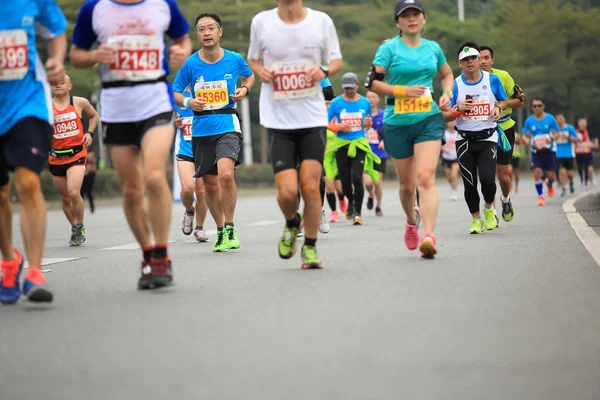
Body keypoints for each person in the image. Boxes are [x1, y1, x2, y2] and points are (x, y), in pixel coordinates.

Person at [70, 0, 192, 289]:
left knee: (153, 175)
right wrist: (94, 56)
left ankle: (161, 255)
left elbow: (183, 40)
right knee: (132, 190)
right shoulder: (94, 9)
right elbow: (75, 55)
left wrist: (181, 52)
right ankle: (147, 254)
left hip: (155, 99)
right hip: (116, 105)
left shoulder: (163, 5)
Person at [247, 0, 343, 269]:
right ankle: (291, 222)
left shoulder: (321, 21)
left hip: (312, 118)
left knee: (311, 187)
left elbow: (335, 59)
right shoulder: (261, 22)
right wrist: (260, 69)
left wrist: (324, 70)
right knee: (288, 193)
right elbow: (252, 58)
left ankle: (310, 248)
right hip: (278, 119)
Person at [366, 0, 454, 259]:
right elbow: (372, 83)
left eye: (416, 14)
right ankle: (411, 219)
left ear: (424, 19)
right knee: (406, 186)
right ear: (398, 22)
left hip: (428, 119)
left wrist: (447, 93)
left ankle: (429, 235)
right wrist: (403, 91)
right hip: (397, 122)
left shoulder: (433, 49)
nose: (412, 18)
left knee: (425, 177)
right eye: (406, 15)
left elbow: (447, 74)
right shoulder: (388, 50)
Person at [0, 0, 67, 304]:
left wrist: (56, 58)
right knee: (1, 194)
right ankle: (10, 261)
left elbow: (55, 30)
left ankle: (35, 271)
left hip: (27, 103)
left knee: (28, 182)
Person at [173, 13, 254, 252]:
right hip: (201, 128)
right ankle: (219, 231)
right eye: (201, 29)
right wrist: (188, 103)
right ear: (196, 35)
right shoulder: (190, 64)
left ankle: (230, 226)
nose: (206, 32)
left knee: (226, 176)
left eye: (211, 28)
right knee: (209, 185)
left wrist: (244, 91)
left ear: (220, 32)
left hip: (228, 123)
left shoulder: (234, 59)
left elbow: (249, 76)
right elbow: (175, 91)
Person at [443, 42, 507, 234]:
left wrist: (498, 108)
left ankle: (489, 208)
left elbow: (503, 100)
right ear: (460, 63)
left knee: (488, 179)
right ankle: (476, 219)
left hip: (488, 137)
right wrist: (458, 110)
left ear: (480, 60)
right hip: (464, 141)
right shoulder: (455, 85)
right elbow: (445, 115)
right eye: (465, 59)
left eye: (473, 58)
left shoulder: (492, 80)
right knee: (469, 182)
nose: (469, 62)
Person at [50, 75, 99, 246]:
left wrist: (89, 133)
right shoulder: (46, 106)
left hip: (76, 154)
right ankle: (74, 226)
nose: (58, 86)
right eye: (54, 83)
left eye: (62, 83)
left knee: (73, 192)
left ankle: (79, 225)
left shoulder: (79, 102)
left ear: (69, 86)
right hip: (56, 157)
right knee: (65, 198)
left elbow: (94, 116)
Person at [479, 45, 524, 222]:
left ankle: (505, 199)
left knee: (503, 176)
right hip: (482, 131)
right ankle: (491, 210)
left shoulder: (503, 76)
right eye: (479, 58)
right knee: (486, 176)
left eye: (485, 58)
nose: (482, 61)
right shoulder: (470, 79)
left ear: (492, 60)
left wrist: (504, 104)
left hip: (504, 129)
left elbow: (519, 100)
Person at [325, 72, 376, 225]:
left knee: (357, 178)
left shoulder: (365, 102)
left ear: (357, 85)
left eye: (351, 88)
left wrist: (368, 123)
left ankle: (358, 213)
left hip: (359, 144)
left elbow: (368, 122)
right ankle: (351, 203)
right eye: (346, 88)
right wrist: (338, 126)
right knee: (345, 183)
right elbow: (325, 123)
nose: (349, 91)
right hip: (341, 145)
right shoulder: (336, 103)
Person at [173, 85, 210, 243]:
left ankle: (199, 228)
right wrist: (174, 123)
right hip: (185, 146)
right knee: (188, 189)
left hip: (204, 146)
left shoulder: (206, 87)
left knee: (201, 192)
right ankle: (189, 211)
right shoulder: (176, 93)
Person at [522, 97, 559, 206]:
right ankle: (541, 197)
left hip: (549, 150)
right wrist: (526, 140)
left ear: (543, 106)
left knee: (551, 175)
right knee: (537, 172)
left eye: (539, 106)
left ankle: (550, 184)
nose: (537, 108)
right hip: (536, 151)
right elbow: (524, 134)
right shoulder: (529, 120)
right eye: (534, 106)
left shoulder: (550, 118)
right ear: (532, 108)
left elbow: (557, 132)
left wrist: (551, 139)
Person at [364, 90, 387, 216]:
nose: (371, 99)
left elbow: (388, 131)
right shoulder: (363, 115)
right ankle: (370, 193)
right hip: (365, 154)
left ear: (378, 99)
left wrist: (384, 141)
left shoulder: (383, 115)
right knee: (368, 183)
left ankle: (378, 206)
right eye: (368, 97)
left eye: (373, 97)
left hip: (379, 153)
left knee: (377, 182)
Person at [554, 113, 578, 196]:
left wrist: (568, 137)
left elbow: (576, 140)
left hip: (569, 154)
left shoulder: (570, 128)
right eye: (558, 119)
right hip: (559, 154)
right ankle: (564, 188)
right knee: (562, 172)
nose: (559, 120)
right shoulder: (555, 130)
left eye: (561, 118)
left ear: (564, 119)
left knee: (569, 174)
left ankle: (571, 182)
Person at [441, 120, 460, 201]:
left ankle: (454, 191)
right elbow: (438, 143)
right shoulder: (444, 133)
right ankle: (452, 185)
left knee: (454, 175)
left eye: (453, 122)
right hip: (446, 158)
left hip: (455, 158)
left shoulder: (458, 133)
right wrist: (443, 149)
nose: (451, 124)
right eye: (449, 122)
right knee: (449, 178)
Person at [575, 118, 595, 187]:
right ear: (578, 124)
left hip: (587, 152)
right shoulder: (575, 132)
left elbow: (594, 140)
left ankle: (586, 181)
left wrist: (594, 144)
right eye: (581, 123)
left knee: (587, 167)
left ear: (586, 124)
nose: (582, 125)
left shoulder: (589, 132)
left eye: (584, 123)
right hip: (578, 152)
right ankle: (581, 178)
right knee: (579, 167)